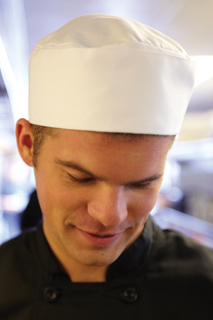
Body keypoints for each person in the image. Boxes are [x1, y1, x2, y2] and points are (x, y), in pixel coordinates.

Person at [0, 14, 213, 320]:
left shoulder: (205, 287)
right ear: (28, 145)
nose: (111, 216)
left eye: (142, 184)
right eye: (80, 178)